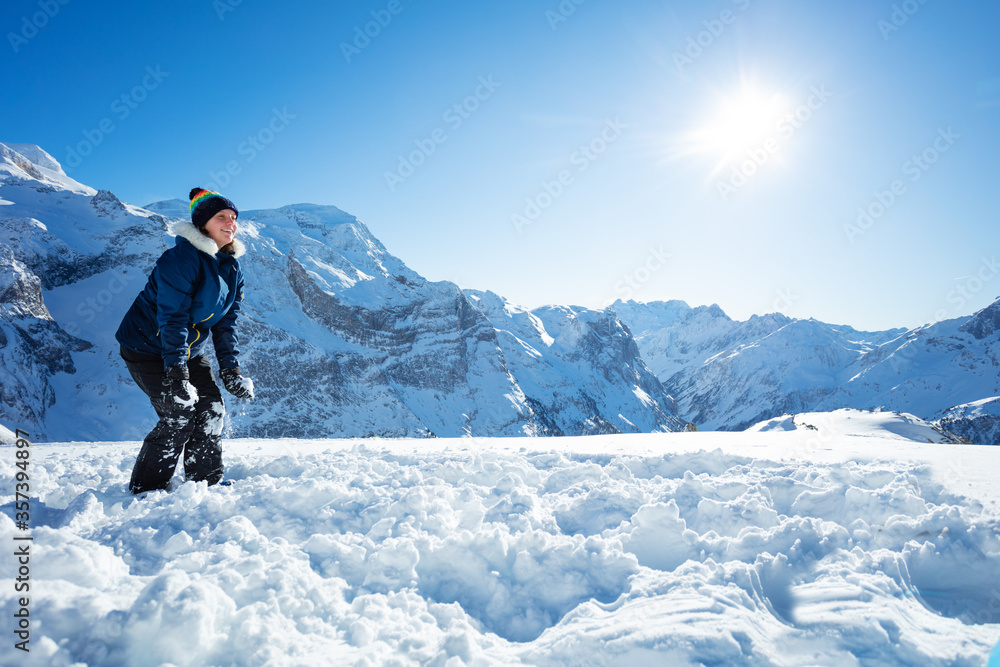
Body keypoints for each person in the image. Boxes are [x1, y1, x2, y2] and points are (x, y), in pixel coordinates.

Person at [116, 187, 254, 494]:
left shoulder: (232, 267)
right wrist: (176, 372)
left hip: (189, 350)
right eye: (222, 217)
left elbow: (226, 324)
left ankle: (204, 484)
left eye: (234, 217)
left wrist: (230, 370)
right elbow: (172, 318)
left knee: (212, 409)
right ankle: (146, 490)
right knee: (179, 413)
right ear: (203, 224)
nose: (230, 223)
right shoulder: (180, 260)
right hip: (147, 347)